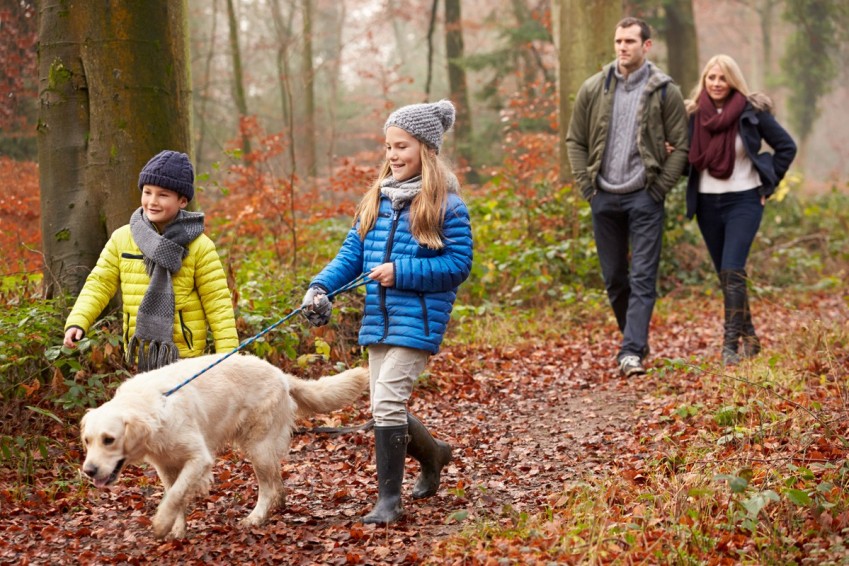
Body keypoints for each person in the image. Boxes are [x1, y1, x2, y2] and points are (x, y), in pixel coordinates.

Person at [301, 100, 473, 525]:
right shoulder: (375, 200)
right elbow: (351, 255)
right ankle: (435, 456)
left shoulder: (447, 205)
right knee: (382, 407)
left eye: (402, 146)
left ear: (426, 150)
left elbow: (457, 266)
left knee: (390, 402)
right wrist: (321, 287)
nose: (393, 155)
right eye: (388, 147)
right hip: (380, 319)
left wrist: (401, 271)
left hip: (420, 319)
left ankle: (388, 502)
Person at [566, 17, 689, 377]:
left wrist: (659, 189)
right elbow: (575, 140)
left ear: (646, 46)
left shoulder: (665, 90)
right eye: (619, 40)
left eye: (630, 41)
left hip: (644, 197)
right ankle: (633, 341)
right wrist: (587, 187)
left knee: (643, 277)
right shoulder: (593, 88)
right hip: (603, 195)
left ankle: (631, 350)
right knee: (614, 278)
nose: (623, 47)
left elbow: (681, 145)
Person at [63, 150, 239, 371]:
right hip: (141, 352)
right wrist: (78, 321)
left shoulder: (200, 246)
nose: (152, 201)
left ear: (182, 200)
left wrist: (229, 360)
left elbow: (218, 303)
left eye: (163, 195)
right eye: (147, 192)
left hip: (185, 357)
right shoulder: (122, 238)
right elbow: (99, 283)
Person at [685, 54, 796, 365]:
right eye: (711, 77)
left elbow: (786, 147)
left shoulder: (751, 112)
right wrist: (673, 152)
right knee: (726, 275)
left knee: (733, 270)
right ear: (704, 80)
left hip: (744, 201)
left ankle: (730, 345)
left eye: (723, 78)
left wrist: (768, 184)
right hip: (707, 204)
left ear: (733, 81)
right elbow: (689, 163)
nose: (717, 83)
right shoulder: (693, 115)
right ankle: (751, 338)